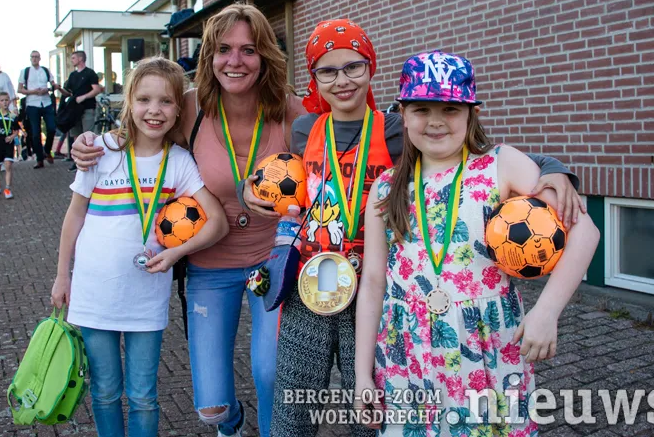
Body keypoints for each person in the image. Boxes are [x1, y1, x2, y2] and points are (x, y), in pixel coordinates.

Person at [242, 21, 582, 437]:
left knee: (384, 418)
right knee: (293, 403)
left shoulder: (404, 136)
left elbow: (562, 212)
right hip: (343, 299)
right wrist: (248, 192)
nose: (435, 121)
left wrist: (556, 171)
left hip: (447, 325)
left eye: (353, 65)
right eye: (326, 70)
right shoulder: (315, 138)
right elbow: (286, 181)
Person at [72, 3, 306, 437]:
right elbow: (141, 127)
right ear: (209, 56)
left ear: (265, 56)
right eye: (223, 49)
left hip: (273, 261)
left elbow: (330, 161)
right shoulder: (190, 109)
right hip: (210, 266)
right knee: (212, 409)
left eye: (248, 50)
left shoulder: (291, 110)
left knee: (272, 371)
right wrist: (91, 143)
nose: (235, 61)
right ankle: (232, 424)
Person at [353, 51, 600, 436]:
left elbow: (586, 231)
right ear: (402, 113)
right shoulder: (385, 187)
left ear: (472, 113)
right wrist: (361, 373)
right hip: (407, 351)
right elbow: (372, 282)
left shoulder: (501, 165)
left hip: (486, 345)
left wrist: (546, 312)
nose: (436, 121)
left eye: (450, 109)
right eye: (421, 109)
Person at [50, 57, 228, 437]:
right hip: (93, 294)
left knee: (144, 396)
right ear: (129, 102)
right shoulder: (100, 151)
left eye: (165, 101)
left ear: (179, 108)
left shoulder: (179, 163)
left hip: (145, 299)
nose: (154, 110)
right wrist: (62, 275)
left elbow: (218, 221)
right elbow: (74, 217)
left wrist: (177, 252)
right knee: (105, 392)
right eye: (144, 99)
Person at [56, 51, 102, 171]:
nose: (72, 60)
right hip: (74, 110)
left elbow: (97, 89)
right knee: (76, 135)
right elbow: (68, 92)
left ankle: (91, 160)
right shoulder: (72, 75)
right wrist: (59, 89)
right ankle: (78, 161)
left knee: (89, 135)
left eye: (73, 58)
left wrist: (84, 97)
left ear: (81, 58)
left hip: (87, 108)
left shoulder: (90, 73)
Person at [18, 50, 57, 168]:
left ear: (40, 58)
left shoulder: (45, 70)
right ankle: (40, 159)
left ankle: (47, 150)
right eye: (32, 57)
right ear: (30, 59)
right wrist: (33, 92)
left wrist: (49, 89)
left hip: (46, 102)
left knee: (51, 128)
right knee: (35, 133)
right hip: (32, 103)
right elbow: (20, 89)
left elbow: (53, 84)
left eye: (36, 57)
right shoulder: (25, 71)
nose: (34, 59)